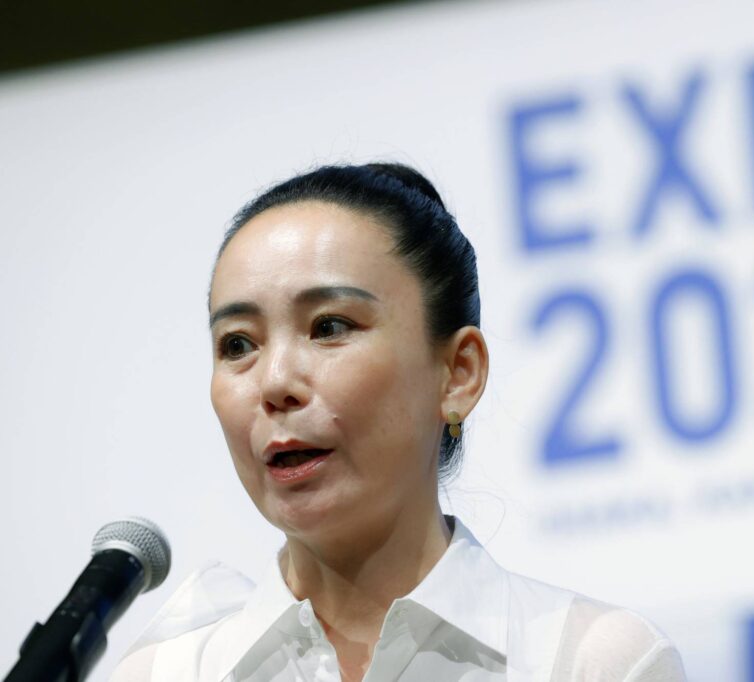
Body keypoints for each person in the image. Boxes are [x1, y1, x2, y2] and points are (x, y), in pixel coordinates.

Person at [110, 163, 687, 681]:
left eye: (329, 327)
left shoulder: (592, 661)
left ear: (458, 374)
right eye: (238, 344)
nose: (275, 382)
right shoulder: (163, 675)